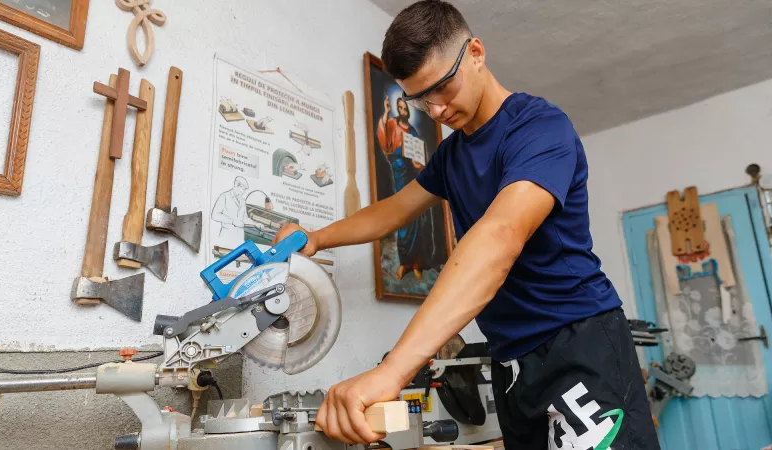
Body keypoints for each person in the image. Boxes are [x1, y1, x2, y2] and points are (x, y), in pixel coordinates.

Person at [272, 1, 659, 449]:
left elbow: (499, 238)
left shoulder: (539, 127)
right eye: (419, 99)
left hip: (577, 341)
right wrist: (316, 238)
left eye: (442, 87)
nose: (434, 110)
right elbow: (392, 211)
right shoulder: (450, 156)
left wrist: (392, 370)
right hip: (510, 359)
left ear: (476, 52)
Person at [376, 96, 435, 280]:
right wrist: (385, 113)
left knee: (416, 218)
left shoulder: (413, 131)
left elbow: (420, 160)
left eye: (406, 109)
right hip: (400, 173)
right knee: (403, 219)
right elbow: (385, 143)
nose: (404, 111)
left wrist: (418, 164)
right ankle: (405, 263)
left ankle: (416, 263)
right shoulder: (392, 124)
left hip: (413, 177)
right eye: (400, 108)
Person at [211, 176, 249, 240]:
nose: (244, 192)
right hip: (226, 235)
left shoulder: (242, 201)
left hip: (239, 236)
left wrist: (256, 224)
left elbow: (245, 218)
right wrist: (232, 221)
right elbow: (215, 215)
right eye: (243, 189)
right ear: (237, 185)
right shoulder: (224, 196)